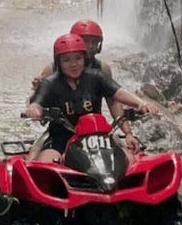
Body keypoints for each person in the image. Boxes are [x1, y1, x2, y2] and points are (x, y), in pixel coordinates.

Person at [26, 34, 158, 164]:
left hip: (97, 135)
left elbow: (118, 93)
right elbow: (37, 103)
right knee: (45, 163)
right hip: (61, 138)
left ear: (84, 58)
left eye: (78, 58)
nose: (73, 64)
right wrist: (34, 110)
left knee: (129, 160)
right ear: (58, 62)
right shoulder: (50, 83)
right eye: (66, 60)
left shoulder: (97, 77)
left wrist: (142, 103)